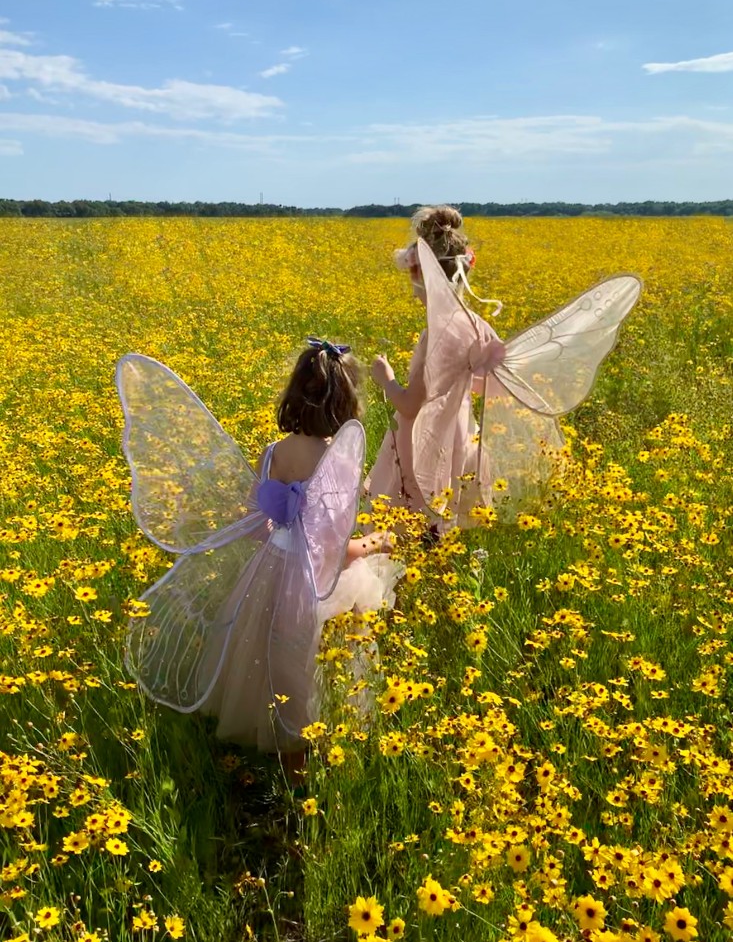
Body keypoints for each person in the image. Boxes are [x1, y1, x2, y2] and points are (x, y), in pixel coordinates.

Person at [116, 340, 402, 778]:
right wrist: (376, 543)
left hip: (270, 568)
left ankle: (282, 754)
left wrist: (286, 525)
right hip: (316, 582)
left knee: (270, 661)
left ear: (293, 393)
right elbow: (337, 549)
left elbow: (257, 521)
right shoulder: (336, 460)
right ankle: (301, 772)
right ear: (347, 401)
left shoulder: (274, 452)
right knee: (312, 669)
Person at [366, 205, 642, 525]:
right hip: (459, 435)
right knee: (445, 518)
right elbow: (483, 382)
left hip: (422, 439)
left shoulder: (436, 335)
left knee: (407, 521)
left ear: (423, 276)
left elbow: (410, 405)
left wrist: (385, 378)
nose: (412, 289)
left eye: (412, 276)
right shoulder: (476, 325)